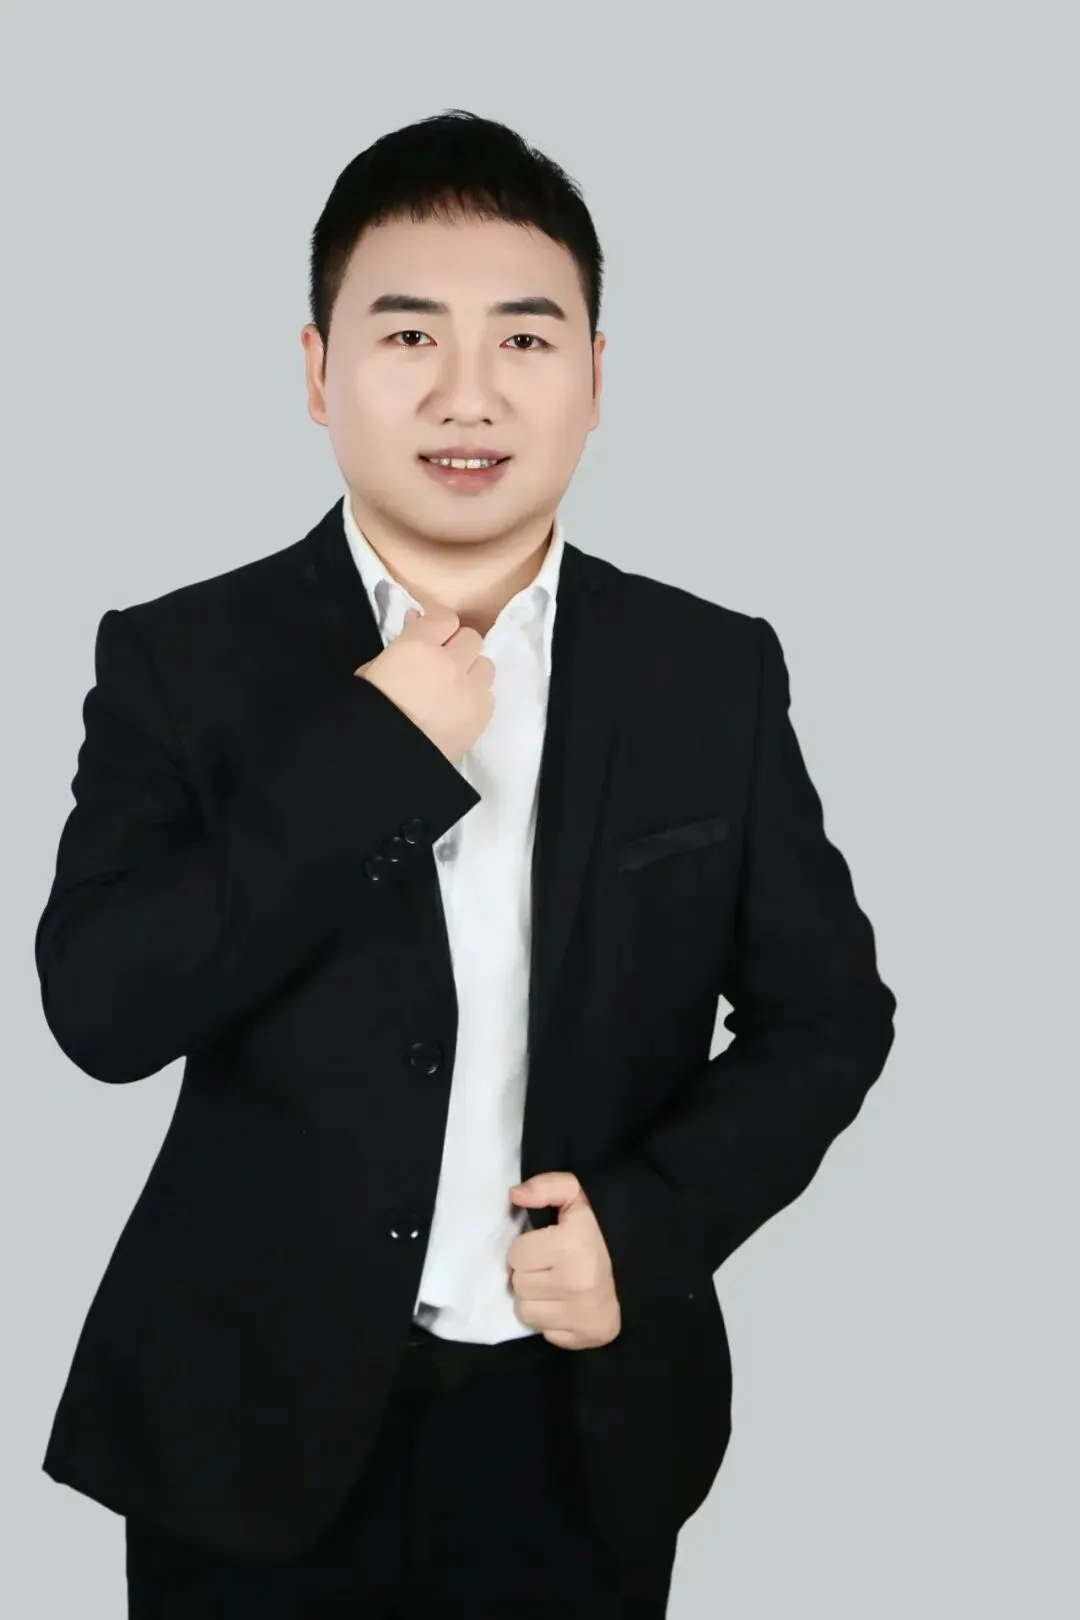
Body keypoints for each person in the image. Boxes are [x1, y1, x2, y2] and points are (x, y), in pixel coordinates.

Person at [34, 109, 897, 1618]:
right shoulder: (182, 658)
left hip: (581, 1419)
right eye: (408, 333)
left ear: (596, 378)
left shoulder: (708, 672)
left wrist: (647, 1223)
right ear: (319, 371)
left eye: (525, 338)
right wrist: (370, 753)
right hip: (247, 1423)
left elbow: (828, 1019)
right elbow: (104, 1009)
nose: (467, 392)